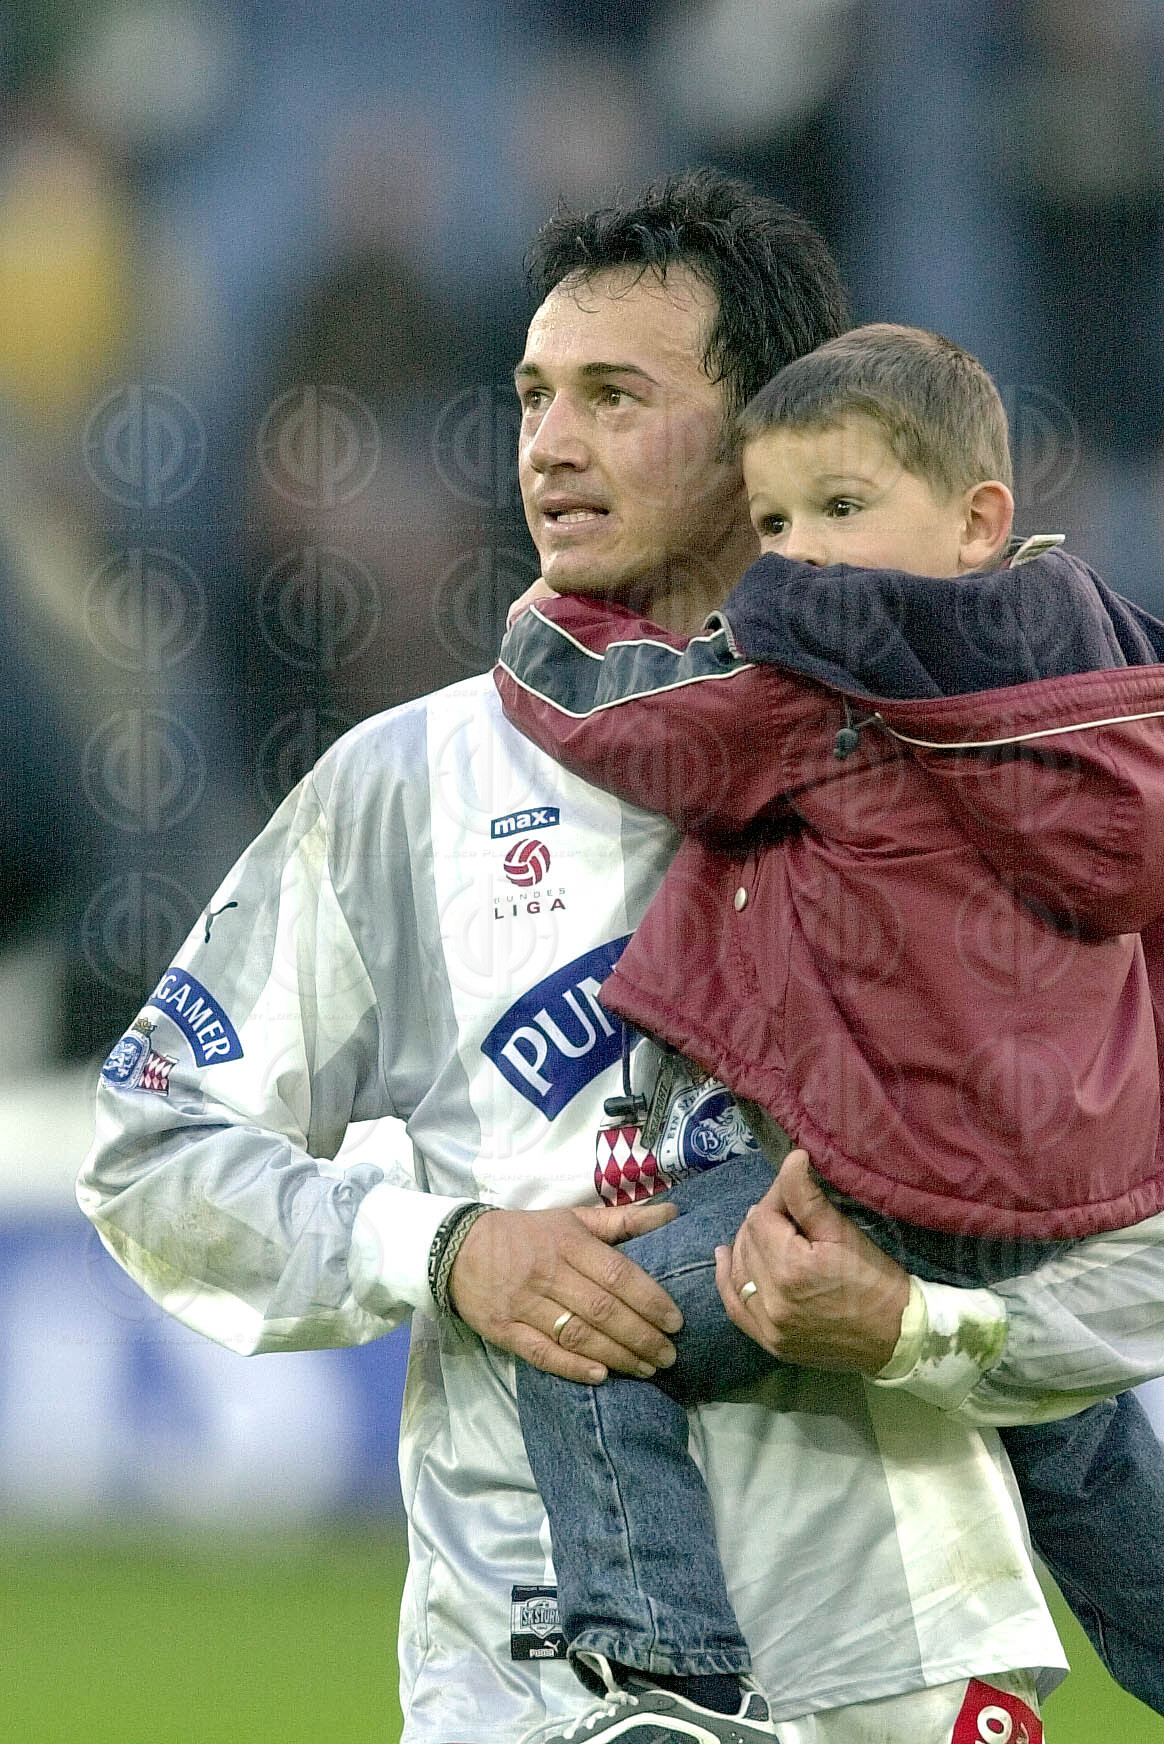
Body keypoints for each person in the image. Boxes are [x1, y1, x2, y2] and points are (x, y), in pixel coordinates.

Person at [76, 171, 1164, 1743]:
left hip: (904, 1662)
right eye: (534, 396)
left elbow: (1126, 1235)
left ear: (760, 435)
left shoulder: (978, 766)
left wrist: (915, 1330)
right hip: (529, 1680)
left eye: (614, 397)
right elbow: (152, 1148)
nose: (550, 443)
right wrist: (448, 1248)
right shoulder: (403, 786)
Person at [496, 321, 1164, 1737]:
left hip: (882, 1183)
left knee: (579, 1327)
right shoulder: (1119, 674)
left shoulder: (835, 678)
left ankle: (668, 1683)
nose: (797, 561)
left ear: (978, 519)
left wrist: (545, 618)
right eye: (776, 524)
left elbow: (631, 726)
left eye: (841, 508)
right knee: (1083, 1454)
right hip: (1061, 1200)